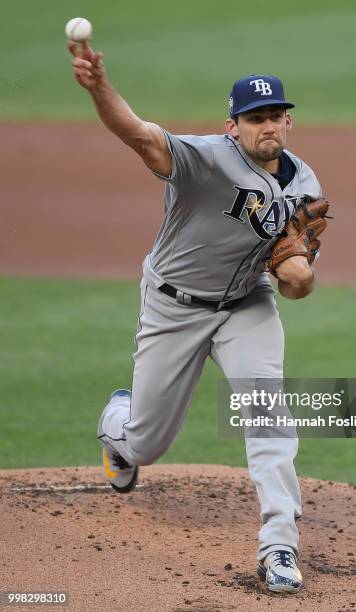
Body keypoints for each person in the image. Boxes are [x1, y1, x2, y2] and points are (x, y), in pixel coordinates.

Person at [69, 39, 326, 594]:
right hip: (174, 305)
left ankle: (279, 544)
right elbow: (138, 134)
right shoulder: (202, 159)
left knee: (268, 416)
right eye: (254, 118)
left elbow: (295, 283)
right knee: (147, 444)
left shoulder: (304, 186)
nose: (267, 127)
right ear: (233, 125)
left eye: (275, 116)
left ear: (288, 120)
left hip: (247, 306)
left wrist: (298, 277)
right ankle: (118, 422)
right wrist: (100, 88)